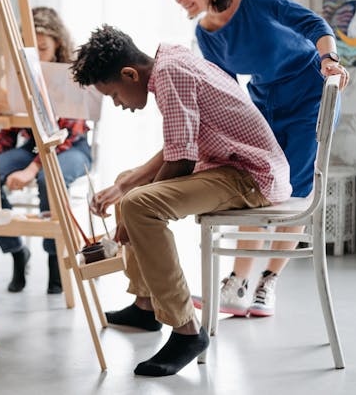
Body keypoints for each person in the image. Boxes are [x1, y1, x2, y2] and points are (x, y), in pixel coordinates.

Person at [73, 25, 292, 376]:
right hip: (231, 167)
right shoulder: (170, 59)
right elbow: (180, 144)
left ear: (130, 75)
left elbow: (181, 160)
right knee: (127, 189)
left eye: (115, 94)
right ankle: (145, 306)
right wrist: (128, 184)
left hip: (250, 177)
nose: (118, 104)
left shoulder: (171, 74)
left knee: (138, 205)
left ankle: (186, 330)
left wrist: (131, 210)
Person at [166, 0, 350, 317]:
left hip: (309, 92)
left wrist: (330, 60)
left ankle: (267, 283)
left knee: (295, 191)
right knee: (261, 186)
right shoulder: (205, 34)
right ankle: (238, 283)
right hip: (263, 100)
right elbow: (226, 89)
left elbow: (314, 24)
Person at [0, 7, 92, 294]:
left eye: (43, 46)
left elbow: (67, 133)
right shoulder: (20, 75)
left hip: (71, 148)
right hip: (33, 146)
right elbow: (11, 129)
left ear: (58, 43)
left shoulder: (71, 74)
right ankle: (17, 251)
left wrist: (32, 169)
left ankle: (54, 257)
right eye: (32, 46)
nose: (38, 52)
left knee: (50, 179)